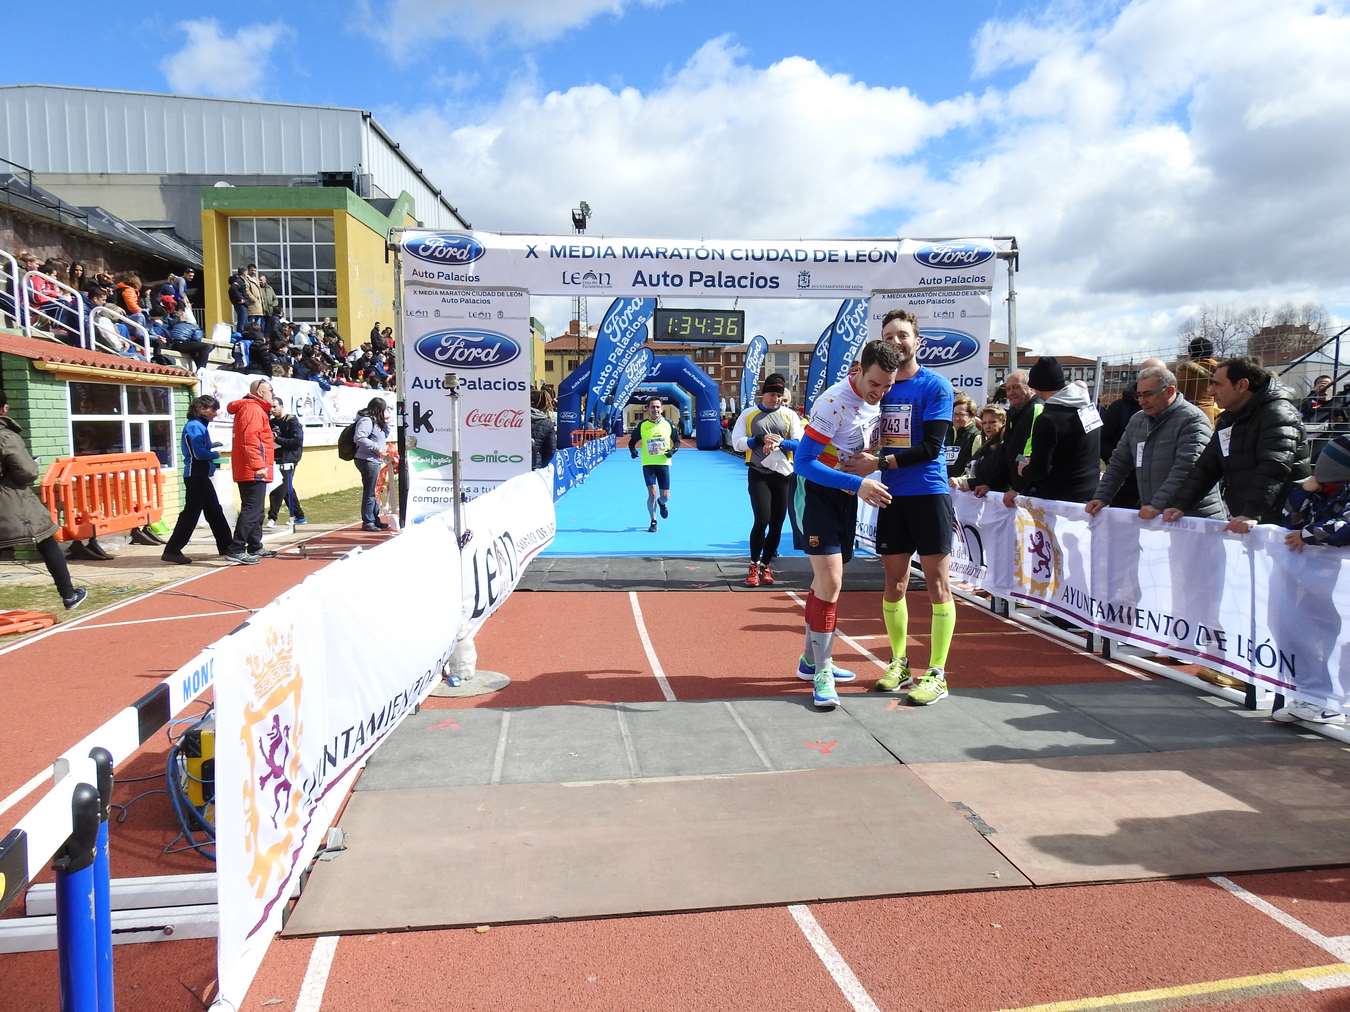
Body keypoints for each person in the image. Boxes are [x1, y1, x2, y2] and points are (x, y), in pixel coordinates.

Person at [789, 339, 899, 710]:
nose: (880, 393)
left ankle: (810, 661)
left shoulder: (880, 397)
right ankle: (822, 670)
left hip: (846, 496)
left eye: (887, 386)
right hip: (817, 494)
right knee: (832, 581)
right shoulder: (832, 403)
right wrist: (858, 483)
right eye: (875, 384)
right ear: (858, 370)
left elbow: (859, 446)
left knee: (825, 582)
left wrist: (870, 462)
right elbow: (804, 462)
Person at [860, 310, 957, 706]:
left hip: (928, 493)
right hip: (891, 495)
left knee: (937, 583)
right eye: (889, 335)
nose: (897, 341)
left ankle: (937, 673)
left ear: (918, 341)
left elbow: (931, 448)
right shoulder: (879, 388)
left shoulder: (935, 386)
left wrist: (879, 463)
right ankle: (898, 662)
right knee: (894, 582)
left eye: (903, 335)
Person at [1163, 357, 1311, 531]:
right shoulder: (1229, 419)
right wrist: (1180, 504)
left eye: (1217, 384)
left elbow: (1274, 468)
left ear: (1241, 385)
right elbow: (1206, 467)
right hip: (1249, 519)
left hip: (1282, 523)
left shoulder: (1278, 413)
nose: (1211, 392)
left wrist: (1251, 513)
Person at [1086, 365, 1225, 520]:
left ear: (1170, 391)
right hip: (1160, 516)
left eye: (1148, 395)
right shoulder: (1138, 420)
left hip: (1194, 518)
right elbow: (1119, 463)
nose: (1141, 401)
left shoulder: (1193, 420)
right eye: (1138, 395)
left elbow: (1186, 468)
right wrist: (1101, 497)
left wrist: (1157, 504)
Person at [0, 393, 86, 608]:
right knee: (46, 539)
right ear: (4, 408)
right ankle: (68, 595)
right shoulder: (5, 436)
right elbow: (27, 472)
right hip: (11, 500)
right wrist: (32, 465)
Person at [731, 373, 803, 586]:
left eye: (779, 396)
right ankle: (753, 564)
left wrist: (782, 444)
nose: (776, 399)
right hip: (758, 472)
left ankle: (766, 565)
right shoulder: (749, 414)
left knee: (777, 524)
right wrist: (758, 440)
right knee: (762, 519)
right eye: (772, 394)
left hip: (782, 474)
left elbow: (799, 443)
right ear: (764, 394)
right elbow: (737, 442)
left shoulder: (790, 415)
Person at [1002, 357, 1101, 506]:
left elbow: (1040, 468)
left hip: (1060, 500)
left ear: (1035, 387)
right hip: (1090, 494)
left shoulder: (1048, 418)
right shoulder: (1088, 409)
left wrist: (1024, 470)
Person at [161, 395, 234, 565]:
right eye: (213, 409)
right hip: (196, 475)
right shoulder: (195, 426)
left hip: (199, 475)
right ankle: (172, 550)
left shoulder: (199, 425)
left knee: (214, 511)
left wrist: (212, 445)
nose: (215, 413)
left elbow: (199, 447)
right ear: (201, 409)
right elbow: (198, 453)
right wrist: (215, 454)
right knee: (191, 514)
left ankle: (227, 546)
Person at [225, 379, 276, 564]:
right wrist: (258, 465)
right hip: (252, 468)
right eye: (270, 390)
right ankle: (237, 547)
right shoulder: (252, 409)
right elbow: (250, 440)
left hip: (253, 467)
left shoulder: (256, 409)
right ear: (261, 392)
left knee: (257, 510)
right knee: (252, 510)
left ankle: (255, 545)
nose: (273, 394)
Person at [975, 369, 1039, 498]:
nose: (1011, 393)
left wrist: (1019, 488)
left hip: (1029, 492)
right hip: (1013, 490)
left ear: (1029, 388)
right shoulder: (1014, 413)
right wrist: (991, 485)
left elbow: (1028, 455)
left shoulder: (1036, 409)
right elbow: (1008, 452)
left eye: (1016, 387)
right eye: (1008, 389)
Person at [628, 397, 677, 533]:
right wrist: (633, 451)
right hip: (648, 464)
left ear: (661, 409)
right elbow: (632, 442)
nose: (655, 409)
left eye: (657, 407)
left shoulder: (668, 424)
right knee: (652, 494)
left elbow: (677, 441)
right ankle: (653, 521)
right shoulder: (642, 425)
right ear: (648, 409)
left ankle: (662, 503)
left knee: (665, 496)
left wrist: (672, 451)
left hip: (663, 463)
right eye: (652, 407)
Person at [1099, 376, 1141, 508]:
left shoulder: (1180, 417)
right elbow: (1104, 441)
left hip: (1158, 491)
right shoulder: (1119, 408)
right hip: (1125, 483)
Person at [266, 399, 306, 529]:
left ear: (282, 406)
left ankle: (272, 517)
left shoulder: (292, 421)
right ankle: (299, 516)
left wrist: (278, 439)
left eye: (274, 406)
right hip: (275, 458)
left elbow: (297, 441)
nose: (272, 409)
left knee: (280, 486)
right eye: (270, 407)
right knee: (287, 488)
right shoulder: (271, 422)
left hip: (290, 459)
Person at [354, 397, 391, 531]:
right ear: (378, 409)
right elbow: (359, 438)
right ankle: (368, 521)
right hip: (367, 459)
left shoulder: (376, 421)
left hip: (374, 459)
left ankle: (374, 518)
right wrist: (377, 448)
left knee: (374, 490)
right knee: (370, 491)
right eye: (383, 409)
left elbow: (383, 435)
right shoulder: (366, 420)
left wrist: (386, 424)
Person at [952, 405, 1006, 492]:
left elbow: (1004, 476)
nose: (987, 426)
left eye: (992, 422)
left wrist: (1024, 459)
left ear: (1003, 422)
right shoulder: (984, 448)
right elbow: (974, 473)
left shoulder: (1009, 444)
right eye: (984, 423)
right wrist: (961, 481)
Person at [945, 392, 982, 482]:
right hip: (944, 485)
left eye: (961, 414)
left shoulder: (976, 437)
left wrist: (961, 480)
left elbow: (976, 467)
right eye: (955, 414)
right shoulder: (946, 434)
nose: (957, 418)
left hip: (964, 490)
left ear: (971, 415)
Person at [531, 388, 557, 470]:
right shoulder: (547, 423)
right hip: (535, 466)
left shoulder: (515, 418)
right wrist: (541, 464)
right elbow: (550, 451)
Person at [227, 268, 249, 337]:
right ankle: (240, 337)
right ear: (244, 272)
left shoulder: (239, 280)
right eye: (247, 272)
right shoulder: (239, 280)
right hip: (241, 305)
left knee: (244, 322)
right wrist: (241, 299)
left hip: (242, 304)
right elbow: (232, 289)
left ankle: (243, 336)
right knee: (242, 322)